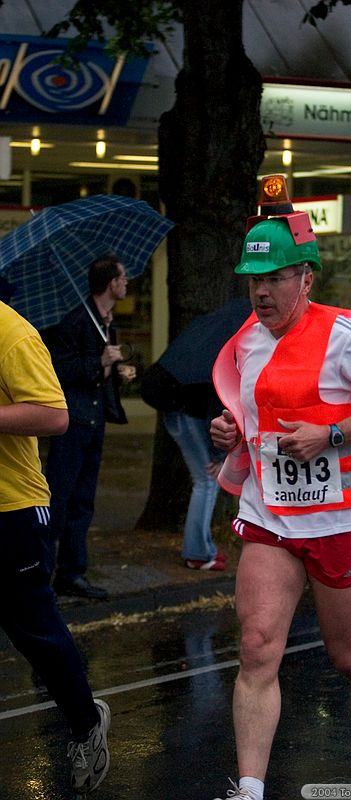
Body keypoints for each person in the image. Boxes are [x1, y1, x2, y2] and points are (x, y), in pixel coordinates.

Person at [210, 210, 351, 800]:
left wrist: (328, 435)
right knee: (256, 647)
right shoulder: (245, 341)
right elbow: (251, 419)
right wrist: (229, 432)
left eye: (275, 277)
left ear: (307, 278)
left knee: (349, 654)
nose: (261, 290)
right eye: (253, 277)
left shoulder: (344, 336)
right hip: (270, 513)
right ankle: (249, 790)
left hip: (341, 517)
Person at [0, 299, 110, 794]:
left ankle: (86, 722)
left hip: (12, 509)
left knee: (35, 632)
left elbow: (53, 415)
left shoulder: (12, 332)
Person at [42, 255, 135, 599]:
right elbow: (59, 371)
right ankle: (41, 571)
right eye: (123, 278)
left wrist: (116, 373)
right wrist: (99, 361)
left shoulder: (107, 322)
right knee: (59, 497)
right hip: (73, 420)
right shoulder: (76, 320)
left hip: (95, 421)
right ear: (111, 283)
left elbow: (101, 374)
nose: (127, 283)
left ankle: (72, 573)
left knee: (83, 500)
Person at [164, 384, 226, 570]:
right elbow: (218, 407)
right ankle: (197, 553)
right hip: (190, 415)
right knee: (207, 481)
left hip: (182, 412)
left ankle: (203, 548)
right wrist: (219, 455)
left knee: (207, 481)